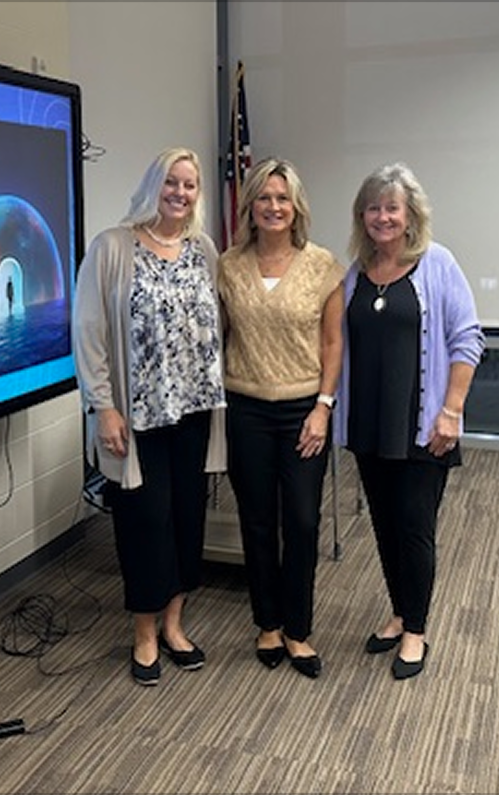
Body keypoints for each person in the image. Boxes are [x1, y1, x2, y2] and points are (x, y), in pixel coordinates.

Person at [72, 147, 227, 686]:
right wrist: (102, 405)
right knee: (143, 522)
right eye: (171, 183)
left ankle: (175, 623)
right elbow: (88, 333)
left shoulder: (202, 249)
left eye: (190, 185)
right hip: (135, 420)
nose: (180, 194)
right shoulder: (112, 248)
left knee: (187, 518)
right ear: (152, 186)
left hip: (192, 411)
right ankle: (143, 631)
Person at [333, 162, 484, 680]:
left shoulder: (437, 264)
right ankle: (399, 613)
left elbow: (468, 340)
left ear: (410, 213)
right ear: (362, 216)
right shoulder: (354, 271)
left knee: (415, 528)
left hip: (423, 427)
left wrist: (451, 411)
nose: (382, 217)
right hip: (370, 425)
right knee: (383, 526)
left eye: (391, 207)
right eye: (373, 208)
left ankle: (416, 630)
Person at [217, 158, 345, 679]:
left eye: (283, 198)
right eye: (265, 197)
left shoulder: (322, 265)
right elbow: (216, 336)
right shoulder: (227, 265)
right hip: (245, 407)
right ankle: (267, 623)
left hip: (303, 411)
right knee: (256, 521)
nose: (273, 207)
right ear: (250, 205)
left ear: (297, 208)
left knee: (303, 521)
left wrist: (323, 406)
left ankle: (299, 629)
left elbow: (334, 342)